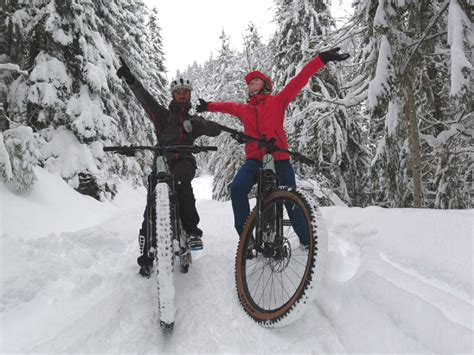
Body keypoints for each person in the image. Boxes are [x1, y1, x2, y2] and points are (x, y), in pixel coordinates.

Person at [196, 47, 350, 246]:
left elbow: (299, 80)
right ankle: (246, 238)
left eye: (255, 80)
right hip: (254, 160)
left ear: (265, 85)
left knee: (290, 198)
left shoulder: (278, 101)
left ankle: (306, 241)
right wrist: (208, 106)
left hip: (279, 158)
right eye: (250, 82)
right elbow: (226, 106)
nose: (251, 83)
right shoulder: (244, 110)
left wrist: (321, 59)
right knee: (237, 188)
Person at [116, 57, 221, 276]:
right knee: (151, 206)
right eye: (178, 92)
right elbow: (145, 99)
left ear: (190, 95)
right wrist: (130, 79)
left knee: (182, 182)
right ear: (173, 96)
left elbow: (215, 129)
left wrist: (199, 124)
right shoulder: (162, 116)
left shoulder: (194, 120)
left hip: (184, 160)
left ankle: (192, 233)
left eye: (185, 91)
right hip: (162, 161)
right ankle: (145, 256)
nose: (182, 95)